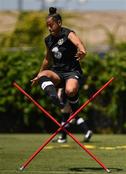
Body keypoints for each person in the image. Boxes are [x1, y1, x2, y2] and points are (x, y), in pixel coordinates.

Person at [31, 7, 92, 142]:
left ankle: (73, 111)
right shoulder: (48, 40)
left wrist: (82, 51)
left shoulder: (68, 33)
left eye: (51, 25)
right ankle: (54, 96)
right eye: (47, 26)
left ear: (59, 22)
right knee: (42, 75)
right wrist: (39, 74)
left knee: (70, 90)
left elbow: (79, 44)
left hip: (72, 72)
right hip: (58, 72)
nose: (49, 28)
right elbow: (47, 59)